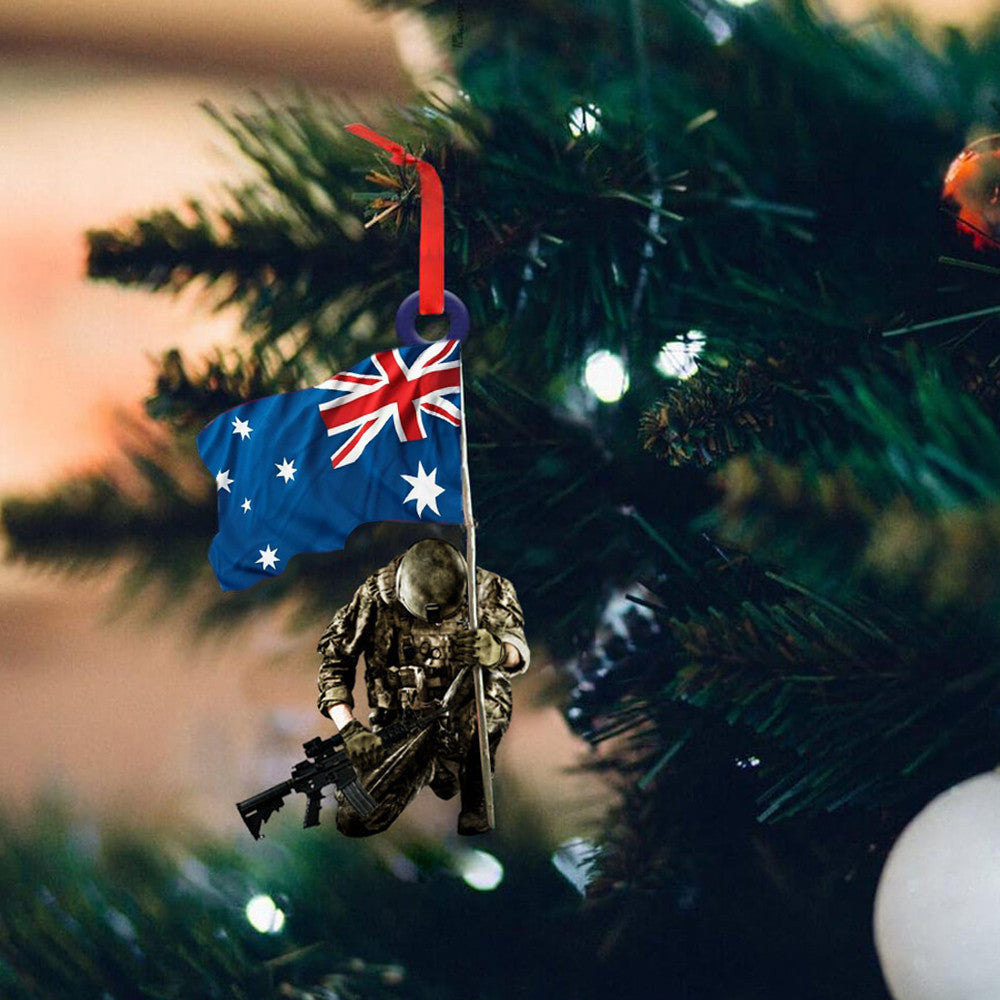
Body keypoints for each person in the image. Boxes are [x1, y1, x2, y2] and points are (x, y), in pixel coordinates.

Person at [317, 538, 529, 836]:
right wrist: (349, 728)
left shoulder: (489, 589)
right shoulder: (374, 596)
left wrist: (499, 652)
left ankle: (476, 790)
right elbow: (335, 662)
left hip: (464, 725)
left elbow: (517, 647)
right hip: (402, 729)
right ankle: (427, 770)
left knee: (489, 681)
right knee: (355, 818)